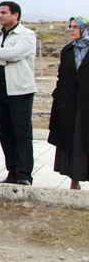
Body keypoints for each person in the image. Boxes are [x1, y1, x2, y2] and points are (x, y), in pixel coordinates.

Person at [0, 1, 37, 185]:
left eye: (4, 12)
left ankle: (24, 174)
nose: (0, 16)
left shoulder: (27, 35)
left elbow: (15, 53)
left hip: (19, 91)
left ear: (16, 15)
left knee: (21, 133)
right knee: (5, 133)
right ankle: (12, 171)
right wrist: (4, 56)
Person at [49, 17, 89, 189]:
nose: (71, 30)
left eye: (75, 27)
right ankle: (74, 181)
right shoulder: (67, 50)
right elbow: (62, 76)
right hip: (70, 104)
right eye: (70, 26)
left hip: (86, 104)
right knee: (72, 141)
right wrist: (58, 96)